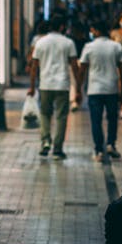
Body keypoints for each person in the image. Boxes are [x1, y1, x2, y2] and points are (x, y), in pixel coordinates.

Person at [28, 14, 81, 160]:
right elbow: (74, 66)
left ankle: (45, 142)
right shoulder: (68, 43)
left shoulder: (40, 42)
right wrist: (78, 87)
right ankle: (57, 149)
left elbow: (34, 67)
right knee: (61, 116)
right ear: (62, 27)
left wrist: (32, 86)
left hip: (45, 84)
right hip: (62, 85)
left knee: (45, 114)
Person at [79, 20, 122, 162]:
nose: (91, 33)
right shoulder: (116, 46)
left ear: (97, 31)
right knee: (112, 119)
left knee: (96, 120)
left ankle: (99, 149)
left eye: (92, 30)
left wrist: (78, 89)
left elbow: (82, 70)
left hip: (94, 90)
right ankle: (111, 144)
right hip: (112, 88)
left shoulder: (88, 47)